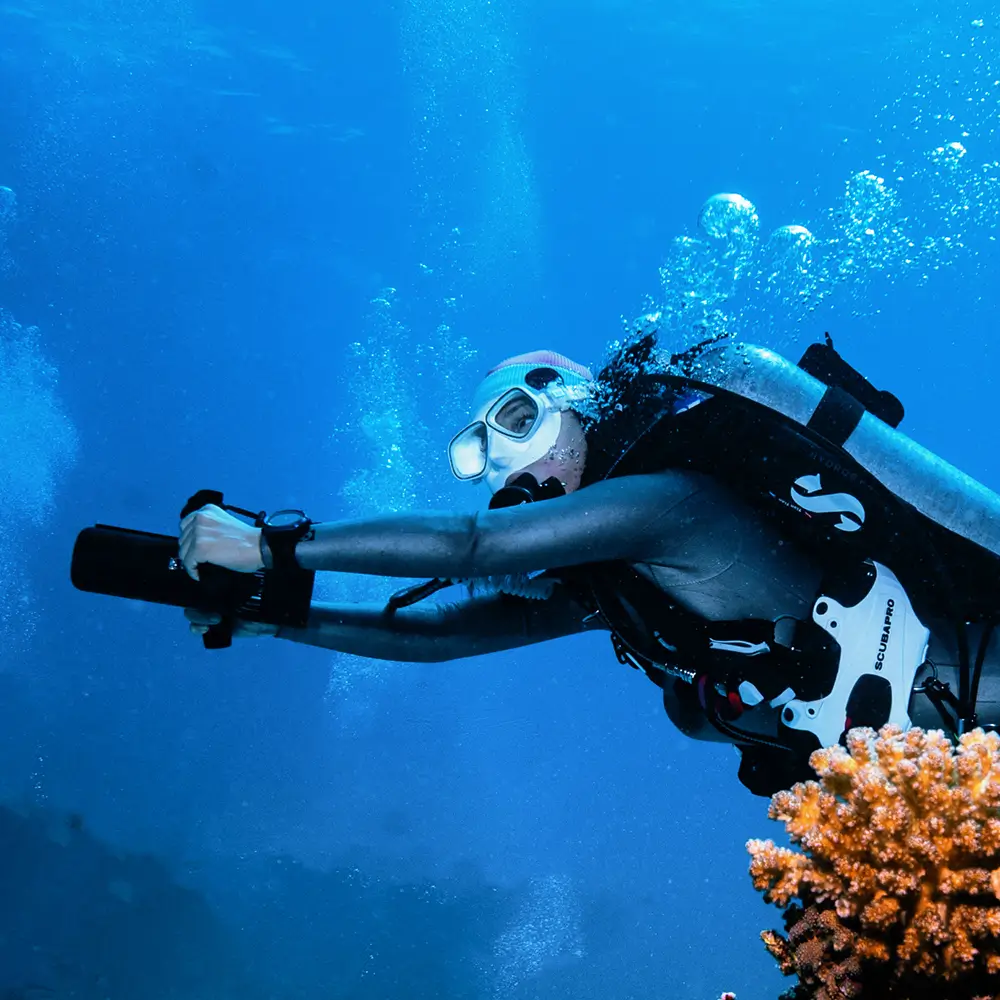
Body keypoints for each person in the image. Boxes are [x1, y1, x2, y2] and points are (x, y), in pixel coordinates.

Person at [180, 326, 1000, 795]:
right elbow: (437, 637)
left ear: (574, 398)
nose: (500, 463)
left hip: (968, 682)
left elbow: (472, 549)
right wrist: (276, 620)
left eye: (513, 419)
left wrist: (265, 542)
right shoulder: (620, 578)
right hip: (927, 759)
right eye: (476, 455)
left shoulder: (664, 504)